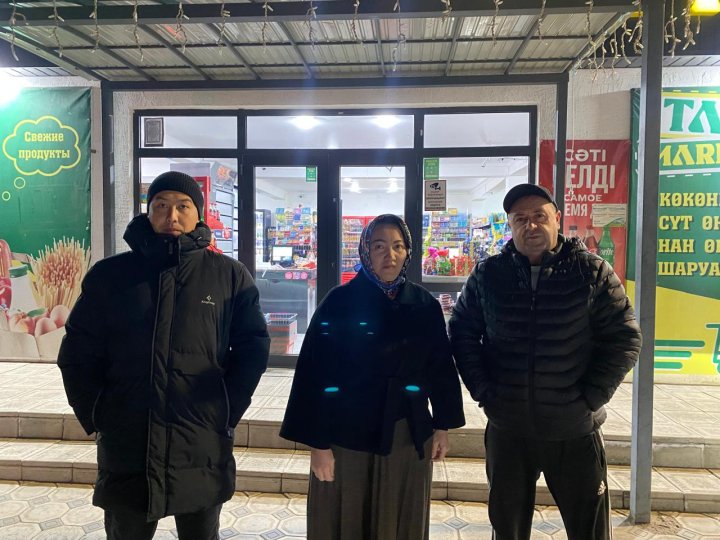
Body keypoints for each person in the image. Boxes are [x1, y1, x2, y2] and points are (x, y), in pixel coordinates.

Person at [57, 171, 270, 540]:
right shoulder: (110, 276)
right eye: (161, 205)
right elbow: (78, 350)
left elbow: (253, 346)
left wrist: (225, 407)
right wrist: (96, 411)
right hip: (128, 443)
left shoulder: (229, 276)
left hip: (200, 443)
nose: (172, 215)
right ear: (148, 211)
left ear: (199, 213)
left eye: (183, 206)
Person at [449, 183, 642, 540]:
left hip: (574, 430)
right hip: (509, 430)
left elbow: (625, 338)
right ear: (510, 225)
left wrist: (590, 397)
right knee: (507, 528)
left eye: (539, 216)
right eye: (520, 219)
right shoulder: (489, 274)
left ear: (557, 219)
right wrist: (485, 392)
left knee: (589, 529)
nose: (531, 225)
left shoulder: (592, 272)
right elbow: (462, 333)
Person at [280, 214, 465, 540]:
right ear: (365, 251)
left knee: (400, 521)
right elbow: (313, 373)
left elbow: (440, 368)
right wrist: (318, 444)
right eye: (379, 246)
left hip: (406, 431)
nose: (389, 255)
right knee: (343, 519)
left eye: (397, 246)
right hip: (346, 436)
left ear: (408, 251)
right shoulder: (339, 303)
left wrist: (442, 425)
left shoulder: (424, 305)